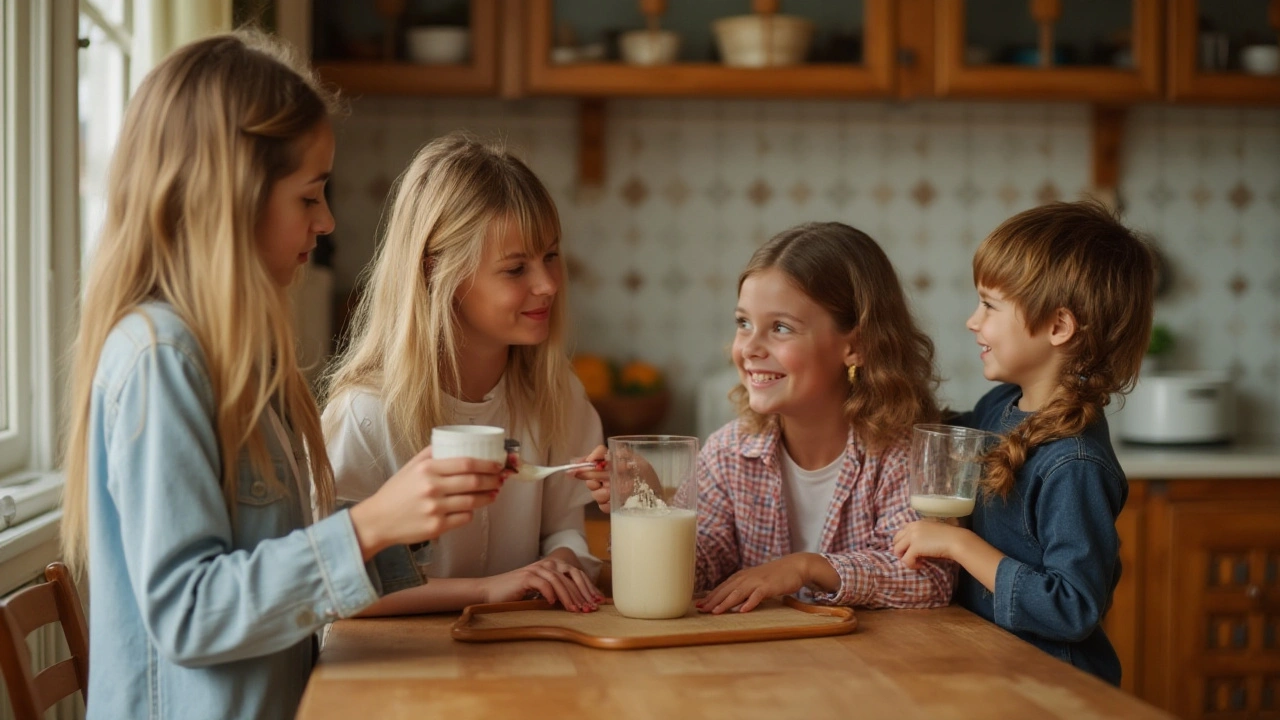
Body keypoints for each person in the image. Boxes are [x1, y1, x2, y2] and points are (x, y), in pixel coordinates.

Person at [60, 32, 504, 719]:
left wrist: (398, 524)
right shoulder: (160, 360)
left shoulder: (235, 358)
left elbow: (265, 568)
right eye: (309, 196)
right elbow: (191, 613)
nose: (325, 222)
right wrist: (367, 528)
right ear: (229, 198)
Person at [581, 222, 955, 613]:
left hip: (872, 669)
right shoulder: (728, 452)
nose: (749, 348)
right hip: (760, 667)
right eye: (743, 323)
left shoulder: (902, 455)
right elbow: (698, 572)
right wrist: (649, 505)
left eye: (780, 328)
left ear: (856, 345)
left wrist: (806, 567)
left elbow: (927, 580)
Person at [323, 134, 605, 615]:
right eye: (516, 269)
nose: (548, 284)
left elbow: (564, 529)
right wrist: (488, 589)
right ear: (437, 274)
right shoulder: (365, 414)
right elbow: (337, 586)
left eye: (551, 256)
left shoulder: (557, 394)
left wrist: (559, 562)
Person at [892, 200, 1155, 686]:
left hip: (1055, 687)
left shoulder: (1074, 464)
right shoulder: (1000, 405)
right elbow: (936, 432)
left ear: (1058, 326)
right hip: (994, 667)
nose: (974, 321)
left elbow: (1072, 608)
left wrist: (958, 544)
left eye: (990, 305)